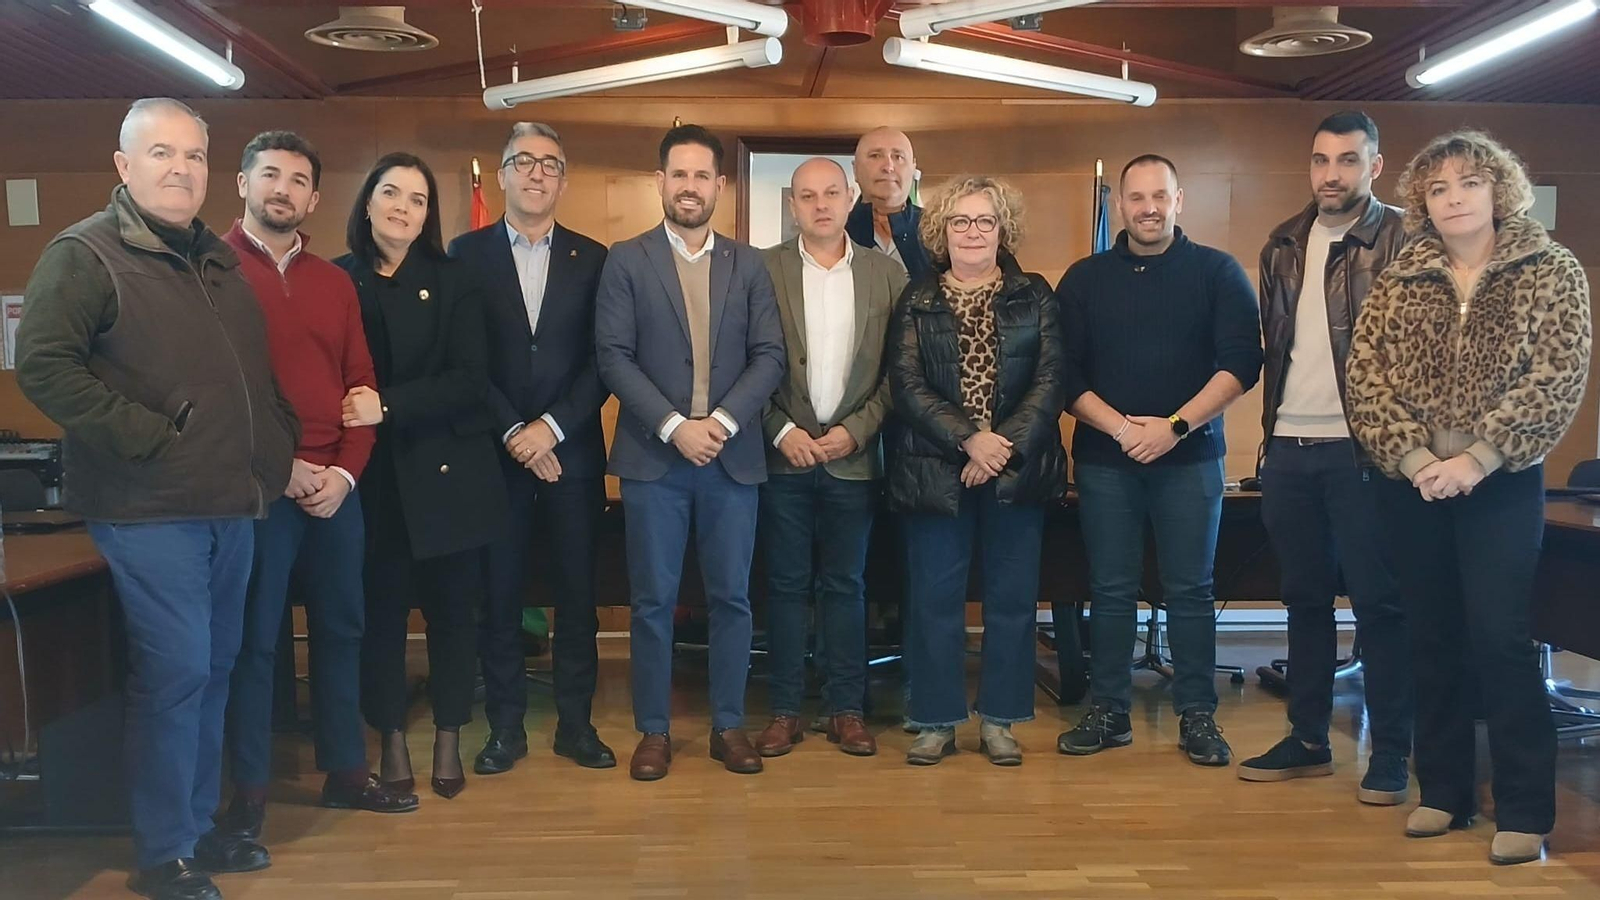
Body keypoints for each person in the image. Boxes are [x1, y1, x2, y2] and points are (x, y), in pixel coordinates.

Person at [15, 98, 298, 900]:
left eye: (194, 156)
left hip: (230, 505)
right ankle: (163, 854)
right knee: (174, 675)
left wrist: (274, 444)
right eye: (163, 153)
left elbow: (253, 381)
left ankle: (199, 825)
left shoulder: (217, 259)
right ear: (124, 166)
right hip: (149, 507)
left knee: (213, 672)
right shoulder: (85, 254)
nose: (181, 169)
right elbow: (44, 367)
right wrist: (147, 436)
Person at [1347, 129, 1591, 865]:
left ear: (1499, 191)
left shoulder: (1551, 270)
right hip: (1411, 482)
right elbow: (1366, 379)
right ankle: (1444, 792)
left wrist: (1477, 460)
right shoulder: (1400, 275)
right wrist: (1420, 459)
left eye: (1469, 184)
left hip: (1501, 484)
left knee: (1500, 639)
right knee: (1432, 638)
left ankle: (1523, 807)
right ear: (1423, 199)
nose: (1454, 198)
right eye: (1440, 188)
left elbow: (1555, 381)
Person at [220, 131, 418, 855]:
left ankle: (344, 768)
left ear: (313, 198)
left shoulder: (336, 283)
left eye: (298, 180)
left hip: (337, 492)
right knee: (255, 645)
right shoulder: (211, 270)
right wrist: (283, 469)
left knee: (343, 631)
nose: (283, 188)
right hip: (257, 491)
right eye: (269, 174)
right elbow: (220, 397)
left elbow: (359, 388)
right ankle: (247, 792)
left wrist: (343, 475)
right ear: (243, 182)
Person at [1055, 154, 1263, 768]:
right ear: (1120, 204)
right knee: (1110, 590)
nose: (1148, 207)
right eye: (1136, 197)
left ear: (1179, 202)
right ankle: (1110, 711)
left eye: (1159, 196)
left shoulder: (1216, 272)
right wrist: (1122, 428)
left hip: (1191, 457)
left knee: (1192, 591)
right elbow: (1062, 373)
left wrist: (1174, 427)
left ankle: (1197, 715)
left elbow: (1241, 364)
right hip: (1104, 458)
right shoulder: (1085, 278)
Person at [594, 124, 786, 781]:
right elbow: (613, 357)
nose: (690, 187)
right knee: (652, 600)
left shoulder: (750, 263)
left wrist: (724, 422)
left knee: (733, 598)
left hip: (731, 459)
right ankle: (654, 730)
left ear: (720, 187)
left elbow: (770, 357)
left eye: (703, 176)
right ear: (660, 182)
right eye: (679, 175)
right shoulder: (627, 259)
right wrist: (677, 425)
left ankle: (728, 726)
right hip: (655, 458)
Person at [1238, 111, 1413, 805]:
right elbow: (1281, 348)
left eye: (1346, 160)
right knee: (1304, 599)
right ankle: (1308, 738)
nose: (1331, 174)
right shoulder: (1283, 241)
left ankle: (1393, 751)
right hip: (1290, 449)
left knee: (1380, 604)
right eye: (1320, 160)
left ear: (1374, 166)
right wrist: (1271, 437)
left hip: (1368, 454)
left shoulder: (1404, 237)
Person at [334, 153, 509, 802]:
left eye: (417, 198)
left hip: (451, 475)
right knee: (380, 620)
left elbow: (470, 381)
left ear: (429, 214)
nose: (403, 207)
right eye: (390, 193)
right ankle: (391, 741)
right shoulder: (338, 278)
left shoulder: (455, 279)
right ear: (368, 201)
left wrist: (391, 405)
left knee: (453, 618)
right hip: (374, 481)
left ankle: (446, 736)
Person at [449, 123, 615, 773]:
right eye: (524, 162)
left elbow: (604, 361)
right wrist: (516, 431)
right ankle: (505, 730)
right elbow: (464, 362)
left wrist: (553, 427)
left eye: (550, 164)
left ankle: (577, 725)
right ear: (503, 175)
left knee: (577, 599)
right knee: (500, 597)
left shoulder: (596, 259)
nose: (537, 173)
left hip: (571, 459)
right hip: (495, 461)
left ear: (564, 180)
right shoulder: (463, 256)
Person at [889, 175, 1065, 767]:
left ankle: (1000, 720)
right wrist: (969, 441)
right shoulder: (916, 297)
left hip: (1017, 473)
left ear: (1002, 230)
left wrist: (998, 449)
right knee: (934, 601)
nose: (971, 232)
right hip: (936, 470)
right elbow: (907, 386)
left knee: (1011, 602)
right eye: (960, 222)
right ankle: (936, 720)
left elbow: (1049, 381)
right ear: (941, 231)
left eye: (984, 221)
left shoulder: (1034, 294)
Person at [751, 158, 907, 760]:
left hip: (853, 460)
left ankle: (847, 709)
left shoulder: (884, 275)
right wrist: (778, 428)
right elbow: (740, 364)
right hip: (782, 459)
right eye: (807, 196)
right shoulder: (759, 270)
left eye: (832, 194)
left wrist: (856, 431)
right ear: (792, 206)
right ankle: (785, 711)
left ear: (851, 201)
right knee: (786, 587)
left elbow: (901, 374)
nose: (820, 205)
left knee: (847, 586)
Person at [847, 127, 931, 281]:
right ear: (855, 169)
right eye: (875, 156)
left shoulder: (939, 231)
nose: (888, 167)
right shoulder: (837, 233)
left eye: (898, 156)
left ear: (913, 170)